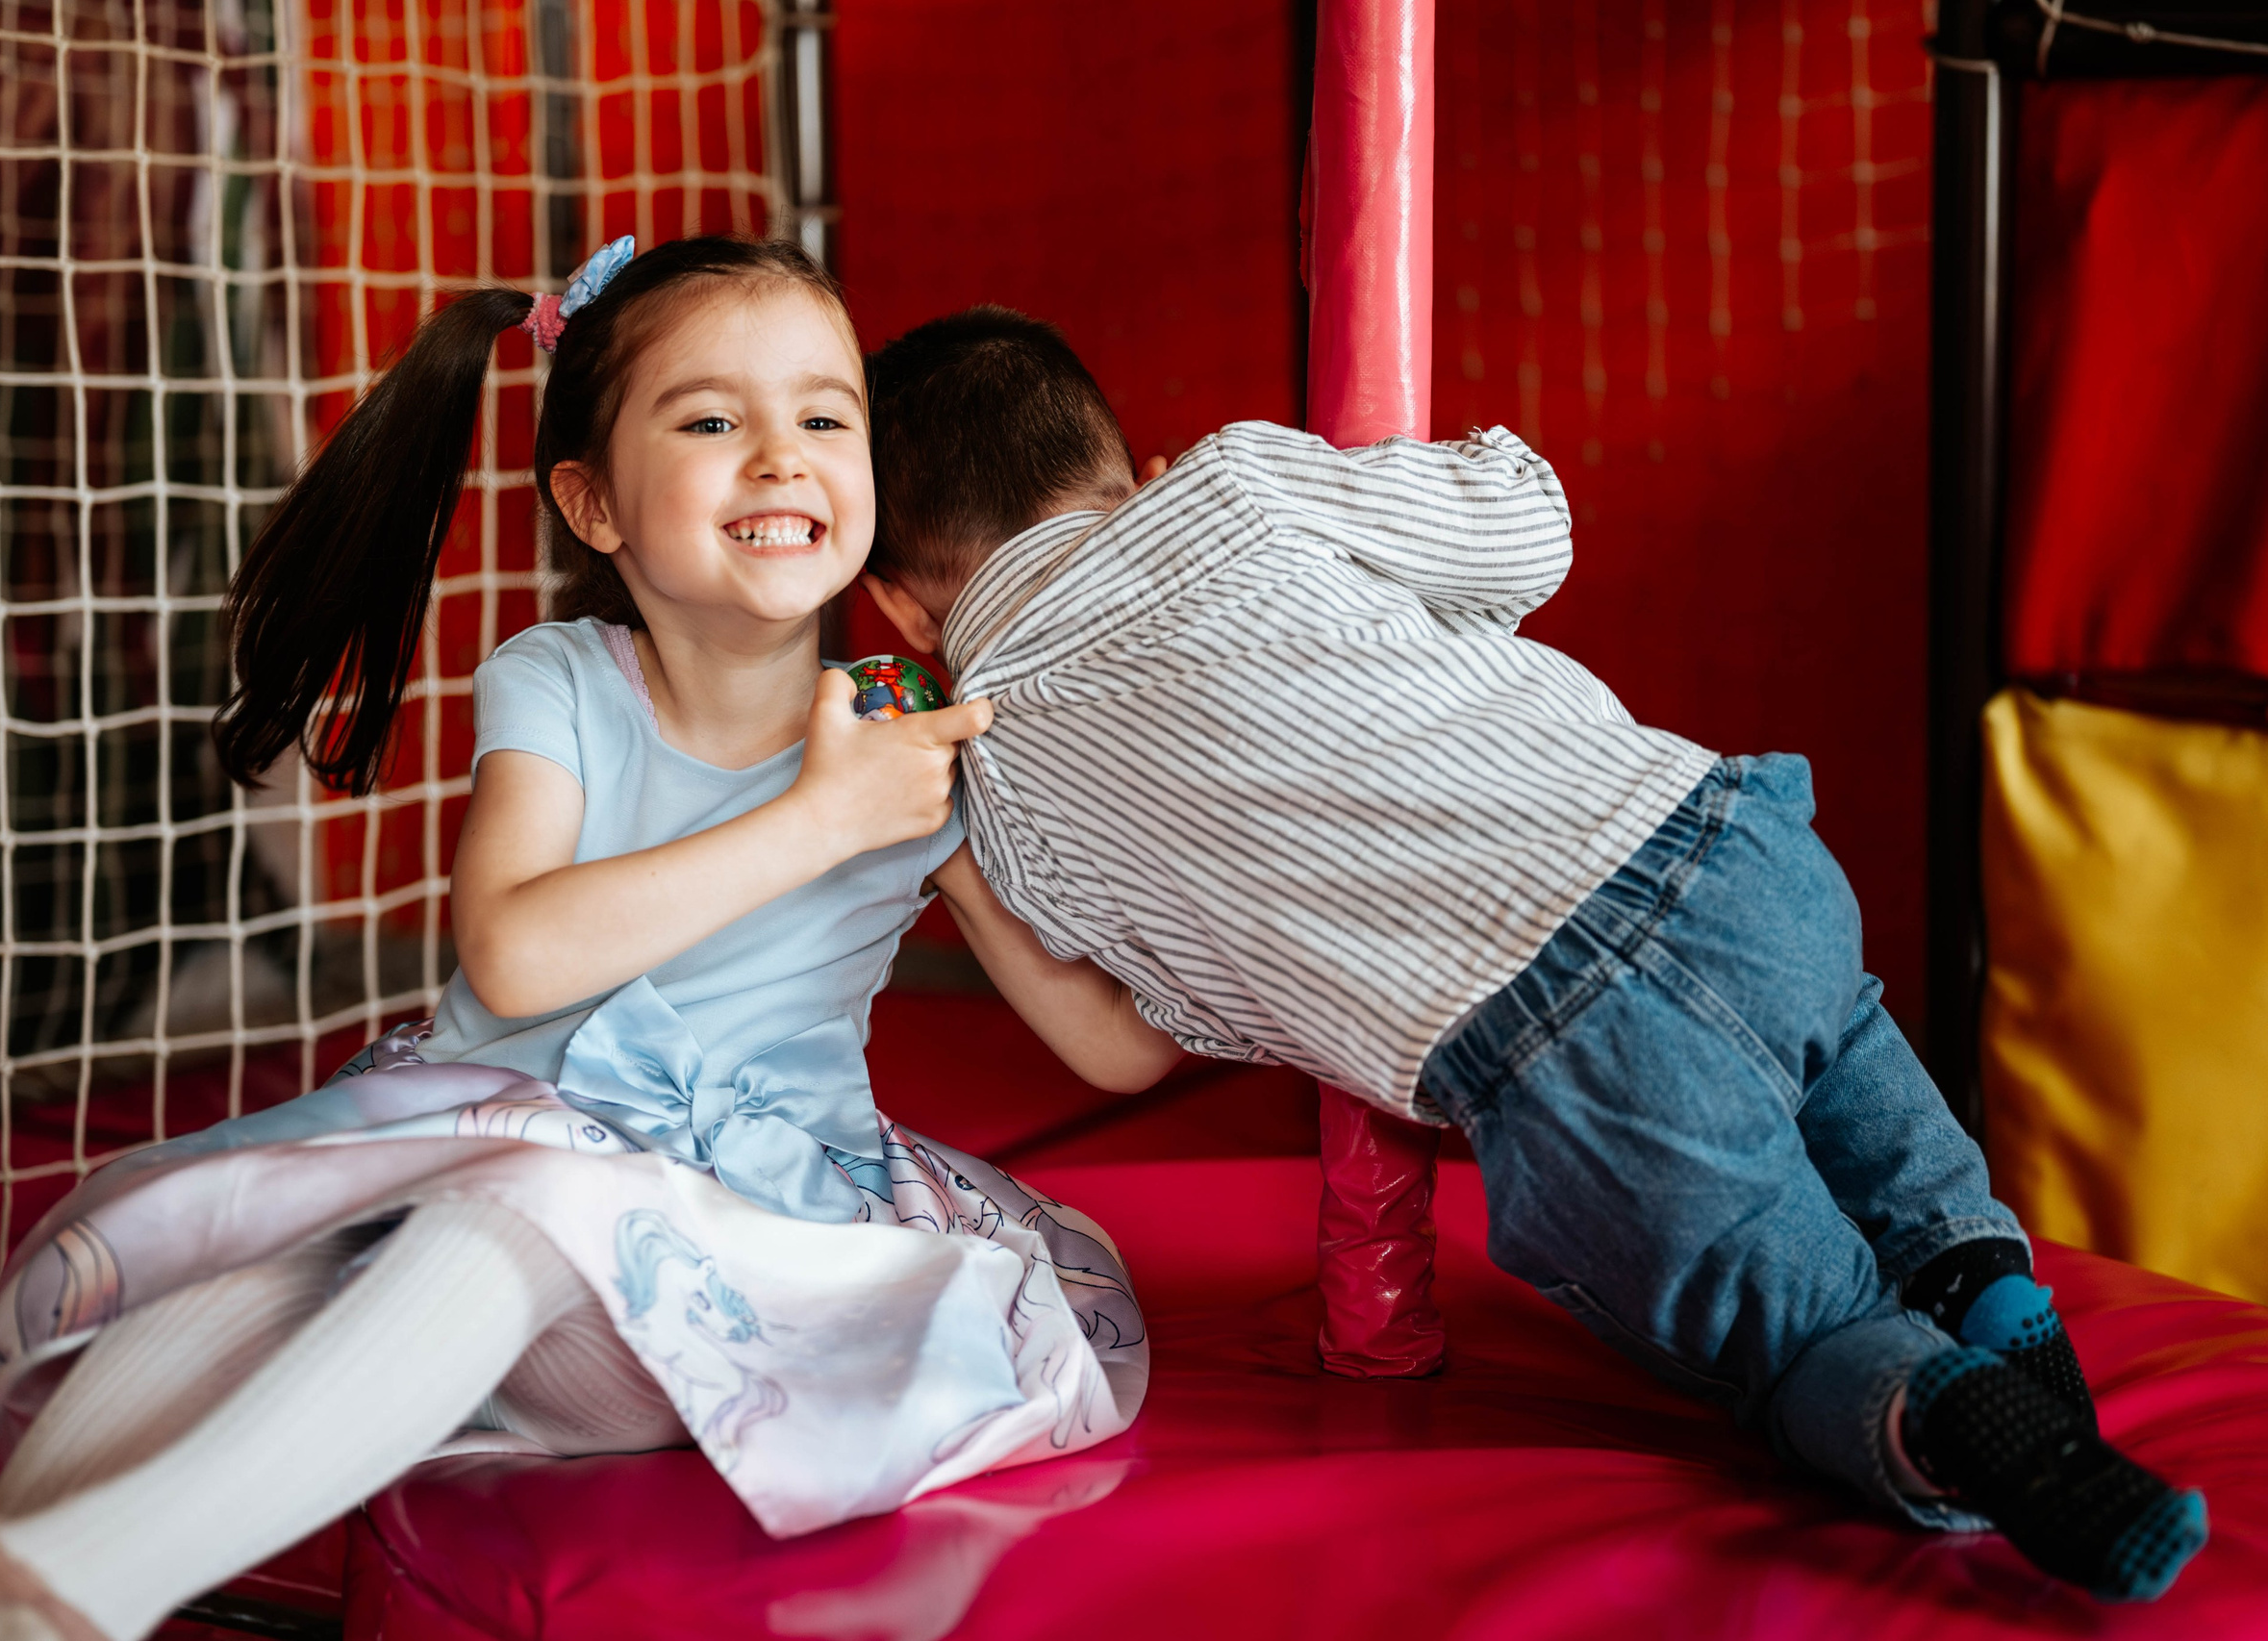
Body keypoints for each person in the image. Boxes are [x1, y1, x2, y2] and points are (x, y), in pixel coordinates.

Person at [854, 306, 2210, 1603]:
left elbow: (1122, 1047)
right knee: (1851, 1055)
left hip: (1566, 1057)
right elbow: (1528, 528)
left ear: (906, 614)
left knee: (1789, 1317)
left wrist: (955, 856)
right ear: (1125, 460)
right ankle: (1988, 1284)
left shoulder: (1007, 791)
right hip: (1726, 850)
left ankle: (1935, 1412)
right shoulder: (1236, 483)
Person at [0, 242, 1179, 1641]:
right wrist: (814, 819)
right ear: (595, 503)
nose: (781, 455)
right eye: (715, 420)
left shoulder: (900, 737)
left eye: (824, 417)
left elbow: (1114, 1046)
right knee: (282, 1267)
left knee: (526, 1213)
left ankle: (64, 1597)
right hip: (468, 1172)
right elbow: (517, 955)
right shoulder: (563, 680)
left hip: (725, 1270)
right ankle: (4, 1572)